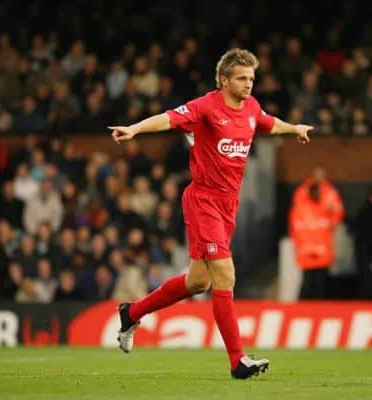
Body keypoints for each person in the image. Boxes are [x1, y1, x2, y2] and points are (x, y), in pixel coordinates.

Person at [108, 48, 312, 379]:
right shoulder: (206, 107)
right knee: (225, 274)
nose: (248, 84)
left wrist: (295, 128)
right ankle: (237, 360)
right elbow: (169, 118)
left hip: (228, 204)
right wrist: (134, 129)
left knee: (198, 281)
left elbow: (268, 123)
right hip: (203, 200)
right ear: (223, 80)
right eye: (242, 78)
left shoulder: (251, 108)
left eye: (251, 79)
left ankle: (131, 312)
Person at [288, 168, 344, 299]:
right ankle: (310, 307)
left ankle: (309, 307)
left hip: (314, 248)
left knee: (315, 280)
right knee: (313, 281)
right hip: (315, 249)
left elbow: (337, 214)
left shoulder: (328, 193)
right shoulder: (305, 200)